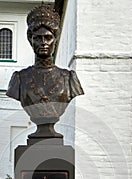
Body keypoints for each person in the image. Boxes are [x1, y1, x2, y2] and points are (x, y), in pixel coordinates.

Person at [6, 4, 84, 138]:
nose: (43, 42)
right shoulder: (19, 79)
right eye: (37, 38)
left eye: (48, 37)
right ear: (31, 41)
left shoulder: (69, 79)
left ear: (55, 40)